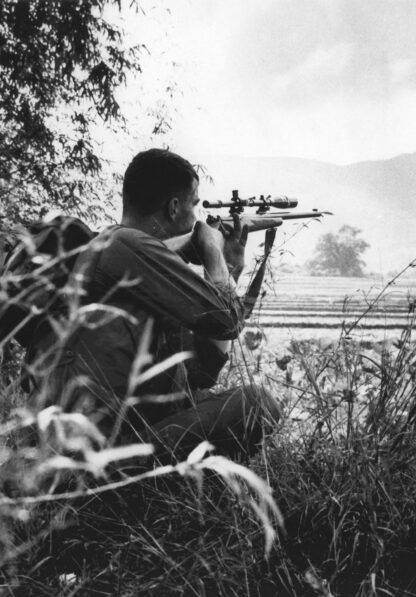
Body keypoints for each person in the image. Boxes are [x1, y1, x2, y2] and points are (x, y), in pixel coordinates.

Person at [25, 149, 280, 463]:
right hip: (92, 461)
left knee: (218, 403)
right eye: (194, 204)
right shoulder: (125, 244)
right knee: (257, 403)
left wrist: (228, 268)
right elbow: (228, 320)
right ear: (174, 207)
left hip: (94, 448)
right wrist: (212, 252)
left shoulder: (119, 252)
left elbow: (203, 371)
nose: (196, 216)